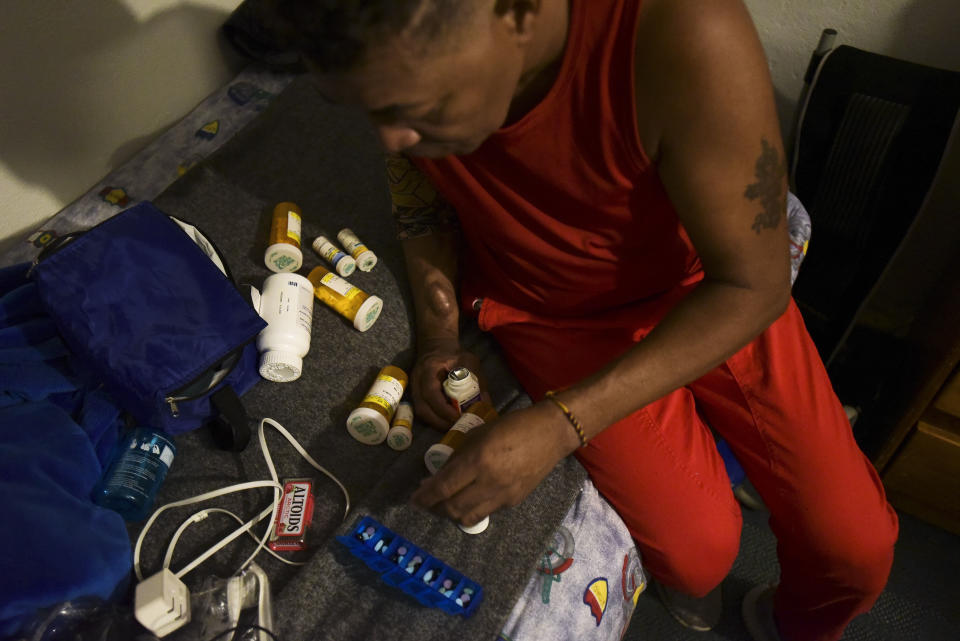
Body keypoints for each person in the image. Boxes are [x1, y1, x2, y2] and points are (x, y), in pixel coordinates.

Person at [261, 1, 899, 639]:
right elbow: (421, 201)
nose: (390, 138)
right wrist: (436, 340)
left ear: (516, 14)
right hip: (551, 314)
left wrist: (562, 425)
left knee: (857, 551)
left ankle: (781, 621)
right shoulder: (412, 74)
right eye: (370, 111)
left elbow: (755, 287)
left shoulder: (683, 32)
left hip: (706, 288)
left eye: (421, 109)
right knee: (697, 554)